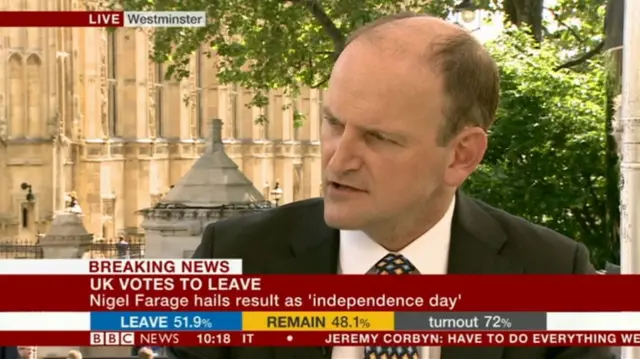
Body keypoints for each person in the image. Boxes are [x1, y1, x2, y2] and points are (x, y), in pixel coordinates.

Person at [167, 12, 613, 359]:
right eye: (334, 123)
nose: (338, 160)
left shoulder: (554, 274)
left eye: (379, 137)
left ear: (461, 155)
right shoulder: (234, 259)